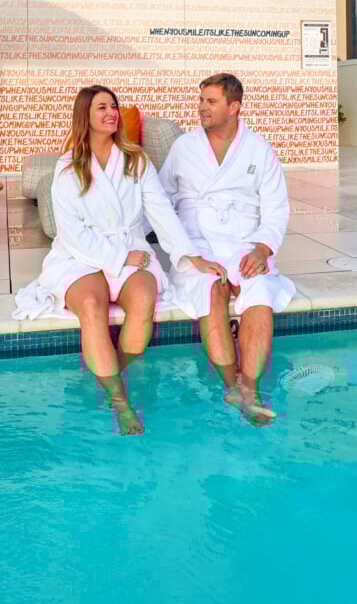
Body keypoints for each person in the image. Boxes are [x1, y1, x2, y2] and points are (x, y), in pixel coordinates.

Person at [14, 85, 222, 436]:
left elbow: (161, 212)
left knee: (143, 301)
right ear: (85, 116)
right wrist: (120, 257)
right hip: (80, 256)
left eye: (113, 106)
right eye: (102, 108)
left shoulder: (136, 160)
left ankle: (109, 374)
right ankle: (120, 401)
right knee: (92, 306)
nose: (111, 113)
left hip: (130, 246)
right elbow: (71, 233)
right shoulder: (68, 167)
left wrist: (191, 255)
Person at [158, 72, 295, 424]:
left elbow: (277, 208)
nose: (202, 107)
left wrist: (262, 249)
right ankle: (231, 383)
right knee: (211, 288)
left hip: (242, 243)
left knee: (259, 288)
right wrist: (185, 253)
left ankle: (251, 388)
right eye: (201, 100)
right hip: (197, 243)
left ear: (234, 107)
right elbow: (160, 202)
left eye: (211, 101)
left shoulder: (259, 149)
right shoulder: (184, 147)